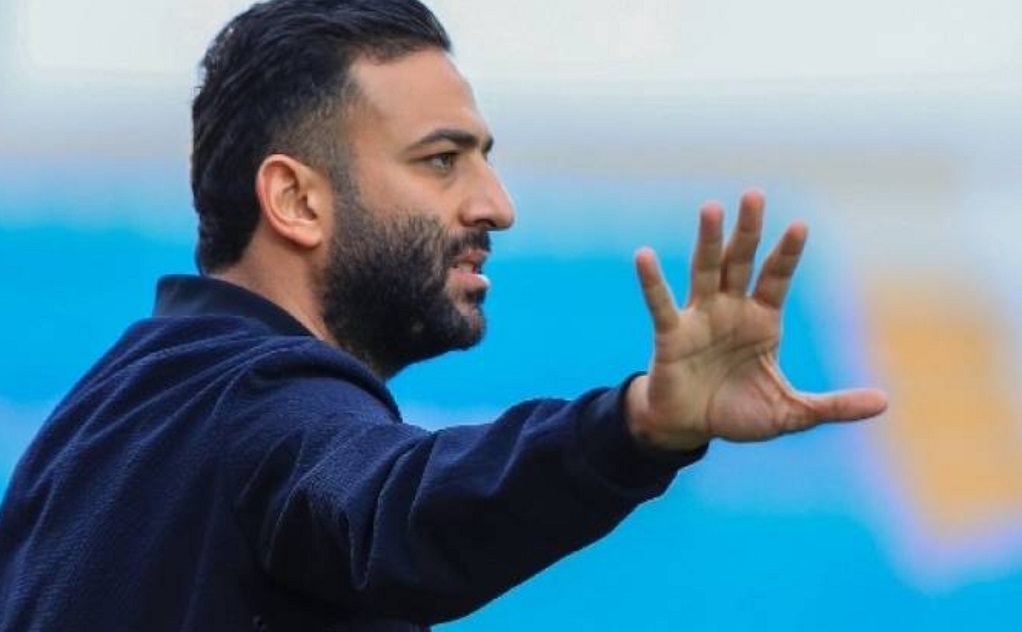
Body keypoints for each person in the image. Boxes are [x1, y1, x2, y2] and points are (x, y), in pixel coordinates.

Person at [0, 0, 888, 630]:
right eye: (441, 161)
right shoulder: (267, 402)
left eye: (484, 159)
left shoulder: (98, 425)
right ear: (297, 201)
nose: (496, 204)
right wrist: (633, 426)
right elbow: (394, 502)